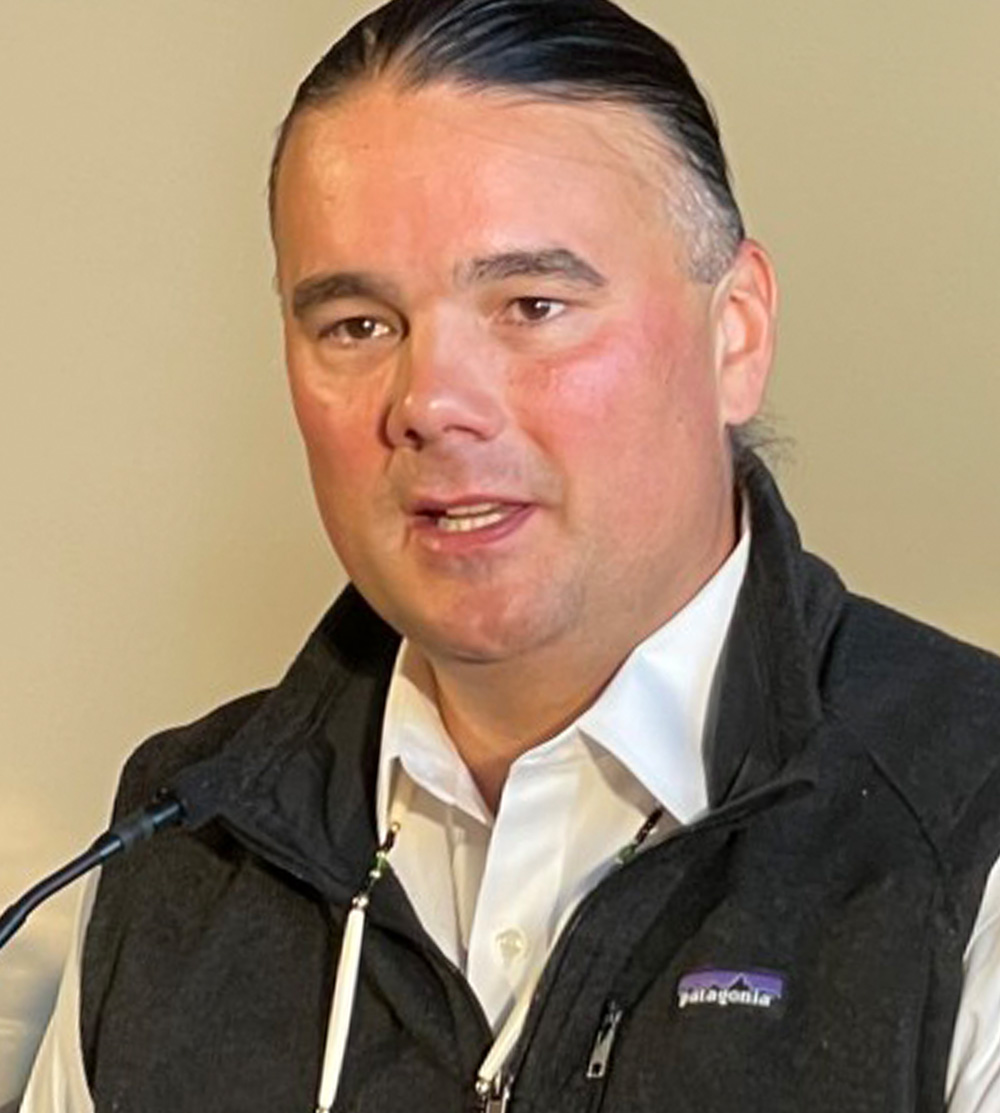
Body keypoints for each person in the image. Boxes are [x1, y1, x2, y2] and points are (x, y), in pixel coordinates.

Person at [21, 0, 1000, 1109]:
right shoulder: (180, 843)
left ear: (736, 335)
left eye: (531, 305)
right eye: (356, 326)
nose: (431, 404)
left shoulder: (964, 820)